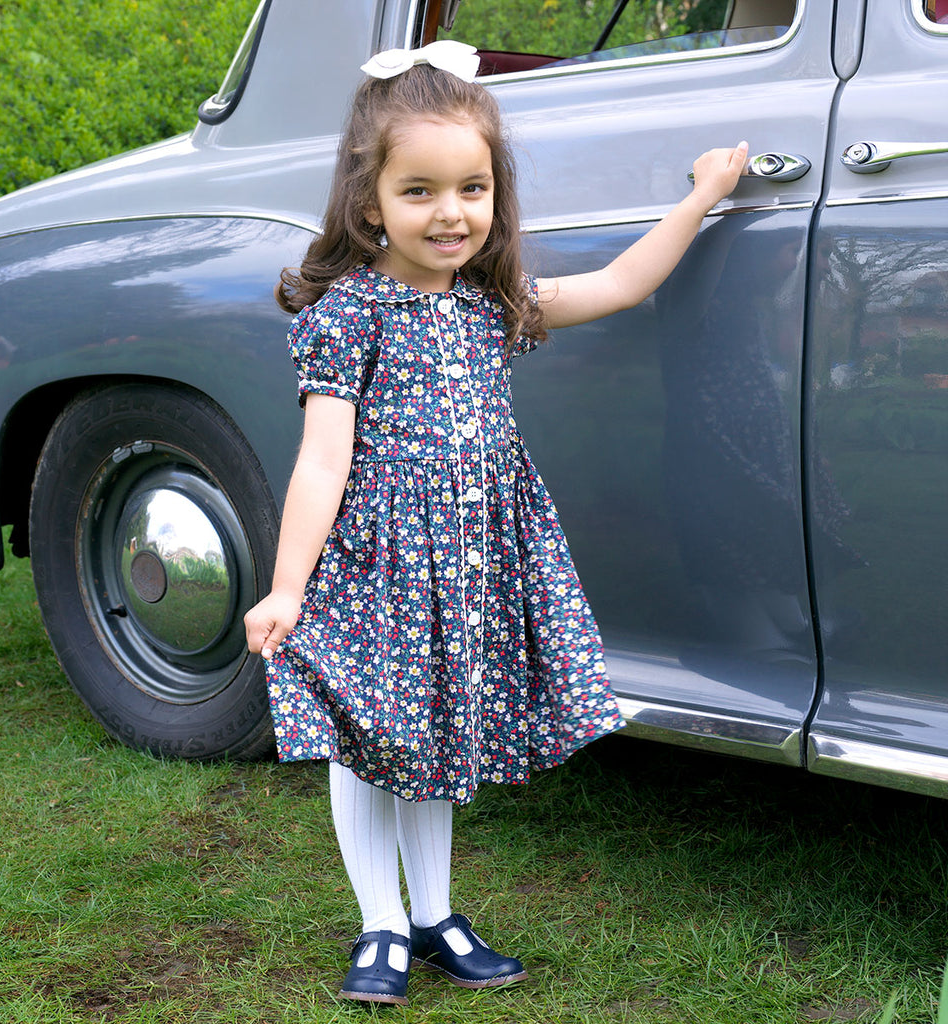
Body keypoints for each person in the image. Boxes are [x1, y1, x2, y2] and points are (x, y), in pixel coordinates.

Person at [243, 39, 747, 1007]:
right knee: (370, 732)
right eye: (420, 190)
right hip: (380, 562)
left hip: (471, 558)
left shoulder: (490, 305)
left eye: (471, 189)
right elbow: (322, 459)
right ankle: (379, 923)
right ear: (369, 202)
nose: (450, 213)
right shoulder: (351, 315)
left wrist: (701, 196)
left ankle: (432, 915)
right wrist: (289, 585)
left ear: (494, 195)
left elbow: (620, 284)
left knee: (433, 732)